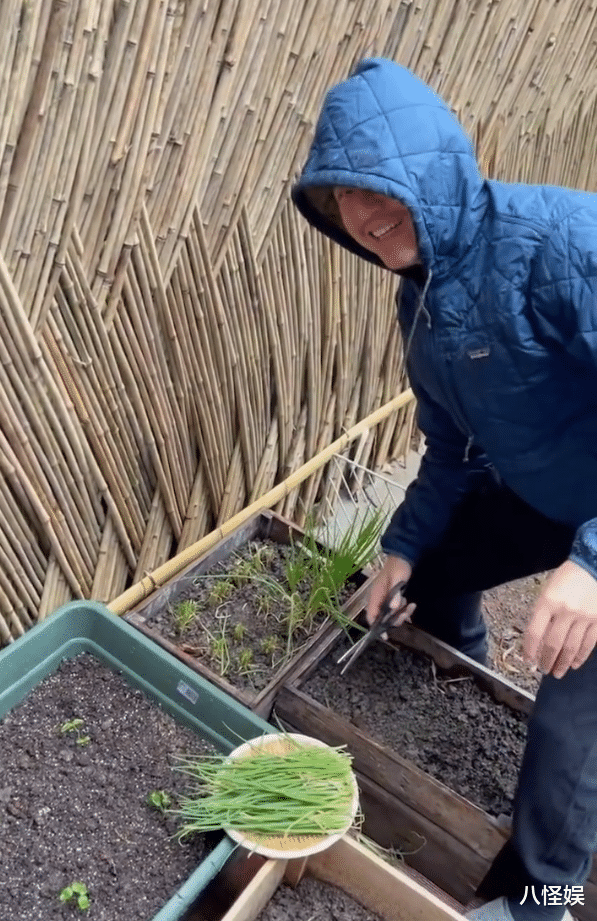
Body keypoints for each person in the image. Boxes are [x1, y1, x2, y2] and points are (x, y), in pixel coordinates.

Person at [291, 57, 597, 921]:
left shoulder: (564, 240)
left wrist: (590, 566)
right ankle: (460, 661)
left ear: (440, 169)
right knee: (427, 572)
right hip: (548, 490)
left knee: (572, 719)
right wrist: (400, 549)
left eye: (379, 184)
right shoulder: (421, 302)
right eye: (341, 196)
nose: (364, 211)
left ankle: (543, 900)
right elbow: (451, 452)